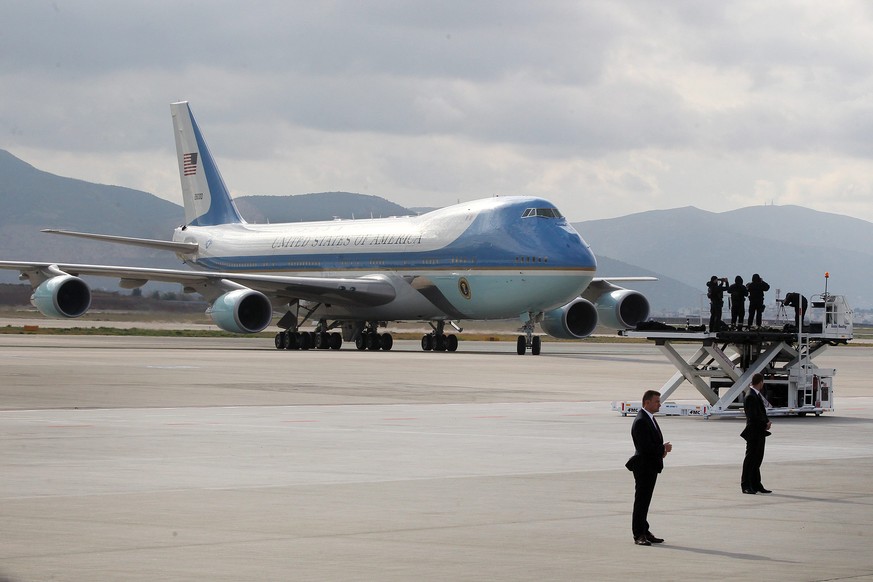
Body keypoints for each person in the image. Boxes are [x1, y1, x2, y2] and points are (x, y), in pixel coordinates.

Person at [626, 390, 672, 546]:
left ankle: (644, 530)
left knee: (645, 501)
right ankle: (638, 534)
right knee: (641, 501)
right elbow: (645, 447)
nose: (660, 404)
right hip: (644, 466)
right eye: (657, 401)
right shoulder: (641, 421)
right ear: (647, 403)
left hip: (650, 465)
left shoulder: (649, 418)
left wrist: (661, 452)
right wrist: (663, 449)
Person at [741, 373, 772, 494]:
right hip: (754, 433)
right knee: (750, 460)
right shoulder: (751, 396)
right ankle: (746, 485)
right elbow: (753, 416)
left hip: (759, 432)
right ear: (760, 383)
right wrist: (765, 424)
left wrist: (766, 422)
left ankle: (756, 484)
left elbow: (760, 413)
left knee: (757, 459)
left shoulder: (756, 395)